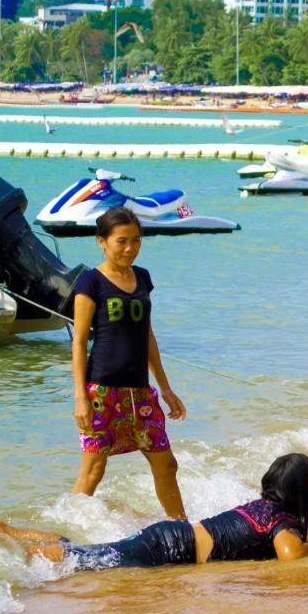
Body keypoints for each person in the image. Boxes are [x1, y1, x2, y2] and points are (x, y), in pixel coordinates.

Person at [0, 454, 308, 567]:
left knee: (94, 554)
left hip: (172, 537)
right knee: (88, 560)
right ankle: (26, 553)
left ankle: (8, 532)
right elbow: (289, 556)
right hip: (173, 548)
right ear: (302, 492)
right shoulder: (283, 520)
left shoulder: (262, 506)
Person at [69, 207, 189, 520]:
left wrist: (165, 388)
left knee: (166, 464)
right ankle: (66, 537)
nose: (129, 248)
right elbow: (79, 342)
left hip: (139, 393)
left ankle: (182, 527)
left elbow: (147, 335)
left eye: (135, 241)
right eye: (121, 241)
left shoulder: (143, 278)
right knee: (94, 470)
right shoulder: (89, 283)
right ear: (101, 242)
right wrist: (81, 396)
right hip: (101, 392)